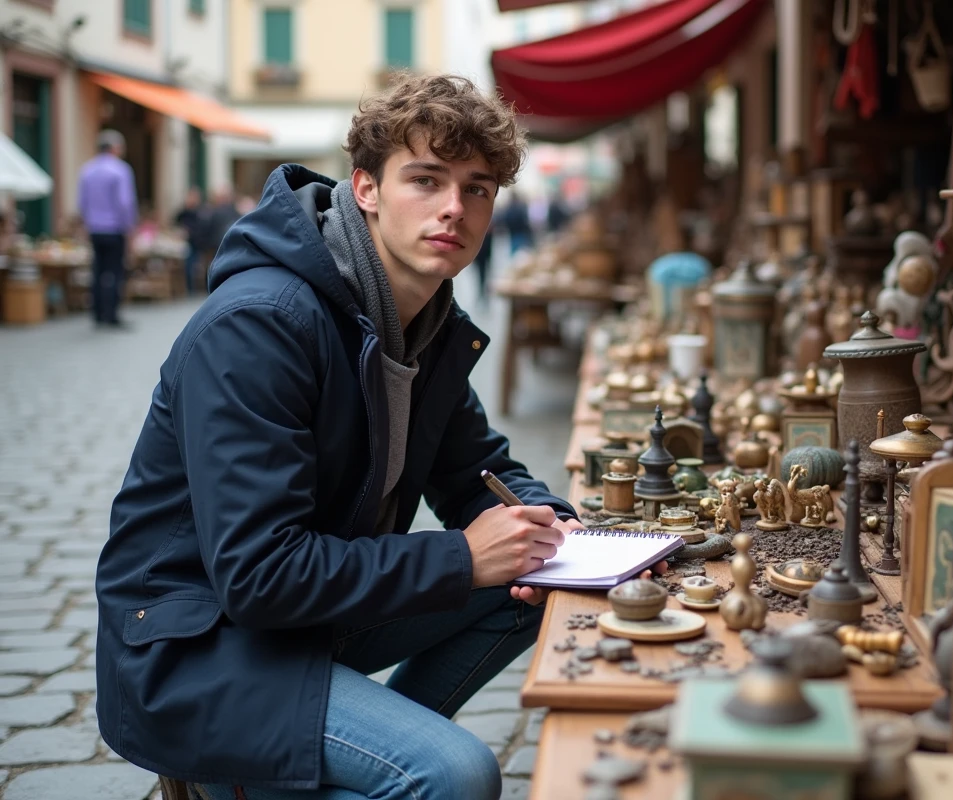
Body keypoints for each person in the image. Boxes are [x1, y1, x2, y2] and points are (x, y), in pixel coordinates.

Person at [94, 72, 664, 800]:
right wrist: (460, 555)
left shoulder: (424, 321)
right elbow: (259, 576)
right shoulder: (260, 326)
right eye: (425, 180)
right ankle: (239, 778)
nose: (454, 209)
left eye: (478, 188)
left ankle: (350, 752)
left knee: (528, 583)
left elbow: (476, 472)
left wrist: (571, 540)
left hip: (304, 619)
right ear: (365, 187)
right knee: (457, 773)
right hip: (201, 649)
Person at [78, 129, 137, 328]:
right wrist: (129, 227)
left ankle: (96, 313)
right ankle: (111, 314)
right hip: (114, 229)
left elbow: (83, 203)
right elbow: (124, 202)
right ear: (115, 148)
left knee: (98, 271)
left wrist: (87, 224)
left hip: (95, 228)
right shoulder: (121, 170)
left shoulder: (87, 170)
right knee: (114, 272)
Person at [174, 187, 208, 294]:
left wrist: (189, 233)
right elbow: (175, 222)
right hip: (183, 244)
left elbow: (202, 228)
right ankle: (187, 288)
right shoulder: (183, 212)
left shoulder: (201, 212)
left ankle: (192, 288)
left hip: (196, 243)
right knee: (186, 266)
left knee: (192, 266)